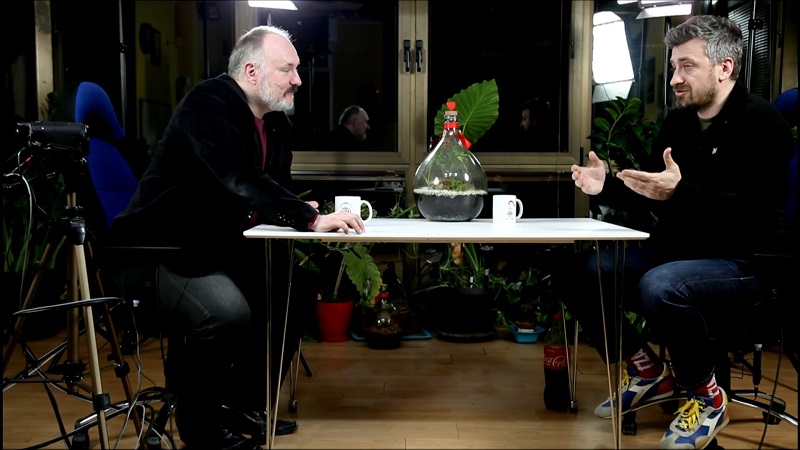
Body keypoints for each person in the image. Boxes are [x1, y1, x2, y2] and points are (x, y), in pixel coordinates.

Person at [110, 25, 366, 450]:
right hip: (160, 251)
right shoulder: (208, 103)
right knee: (225, 311)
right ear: (251, 71)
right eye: (287, 69)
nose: (298, 80)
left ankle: (241, 405)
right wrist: (307, 217)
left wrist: (301, 210)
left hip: (215, 248)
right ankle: (202, 430)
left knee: (293, 294)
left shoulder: (276, 123)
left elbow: (273, 188)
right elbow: (236, 175)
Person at [564, 15, 792, 450]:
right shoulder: (679, 123)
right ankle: (645, 370)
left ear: (724, 67)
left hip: (744, 261)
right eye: (674, 67)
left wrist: (681, 192)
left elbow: (758, 212)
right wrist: (607, 186)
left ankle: (708, 398)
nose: (674, 79)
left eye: (687, 66)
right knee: (580, 271)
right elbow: (658, 192)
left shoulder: (763, 123)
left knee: (662, 285)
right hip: (676, 253)